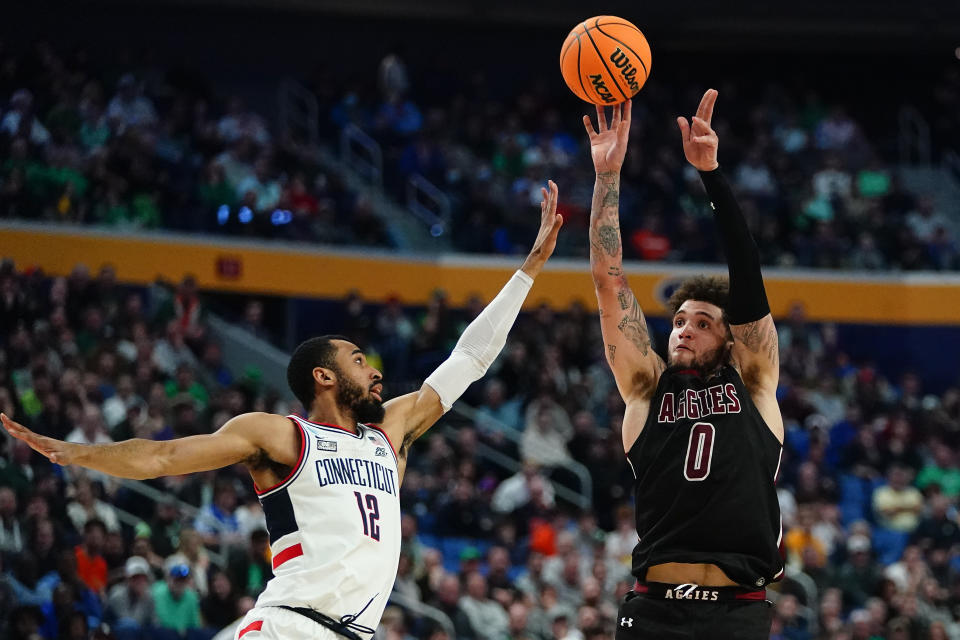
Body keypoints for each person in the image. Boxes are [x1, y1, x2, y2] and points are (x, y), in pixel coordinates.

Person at [2, 182, 564, 640]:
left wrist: (528, 271)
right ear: (324, 376)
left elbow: (467, 358)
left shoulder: (389, 434)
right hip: (288, 627)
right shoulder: (281, 436)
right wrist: (76, 453)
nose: (375, 372)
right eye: (358, 360)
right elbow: (165, 456)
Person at [584, 91, 783, 640]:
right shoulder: (646, 389)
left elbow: (748, 277)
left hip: (737, 607)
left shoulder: (755, 382)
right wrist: (608, 177)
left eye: (702, 322)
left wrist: (712, 176)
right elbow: (609, 280)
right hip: (654, 608)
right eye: (678, 322)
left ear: (729, 337)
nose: (684, 329)